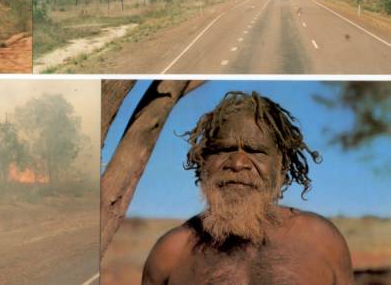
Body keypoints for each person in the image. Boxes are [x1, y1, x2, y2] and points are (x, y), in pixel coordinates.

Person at [142, 91, 355, 285]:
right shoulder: (171, 254)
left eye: (255, 151)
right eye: (223, 150)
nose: (237, 163)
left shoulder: (321, 240)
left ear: (281, 165)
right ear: (203, 162)